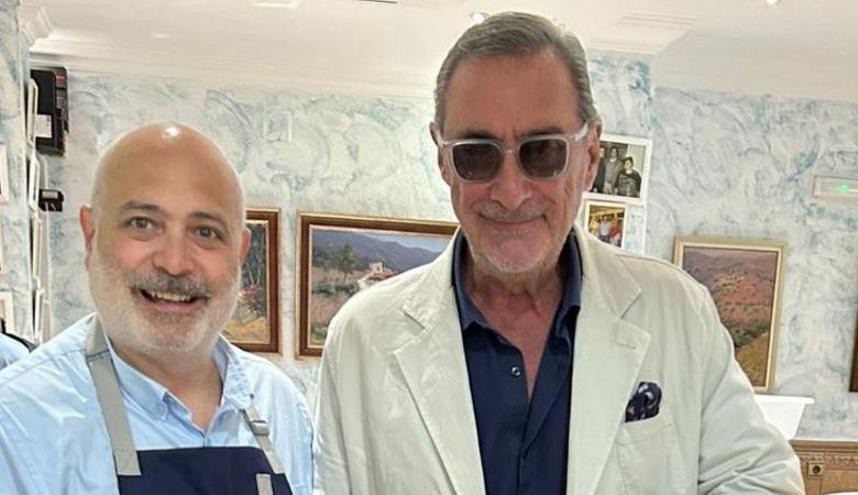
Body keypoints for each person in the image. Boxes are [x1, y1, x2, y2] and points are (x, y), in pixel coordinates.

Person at [313, 11, 803, 494]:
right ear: (443, 159)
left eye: (542, 151)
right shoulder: (361, 338)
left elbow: (762, 479)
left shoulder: (677, 310)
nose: (510, 192)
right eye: (476, 153)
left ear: (590, 156)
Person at [0, 123, 313, 495]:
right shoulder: (17, 422)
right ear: (90, 236)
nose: (174, 263)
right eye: (142, 224)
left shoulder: (278, 403)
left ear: (240, 253)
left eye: (205, 231)